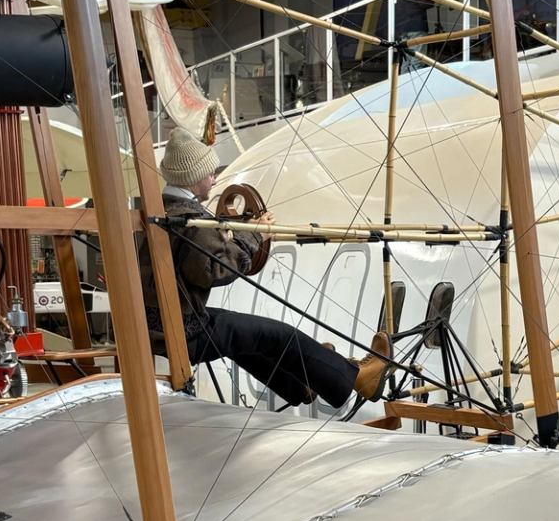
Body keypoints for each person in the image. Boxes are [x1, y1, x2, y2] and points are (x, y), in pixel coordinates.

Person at [138, 126, 390, 410]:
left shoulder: (157, 210)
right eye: (209, 172)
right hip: (182, 334)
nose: (214, 177)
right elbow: (216, 269)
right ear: (194, 177)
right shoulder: (191, 220)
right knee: (277, 334)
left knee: (246, 336)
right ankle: (358, 378)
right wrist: (256, 235)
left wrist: (237, 234)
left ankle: (302, 384)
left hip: (153, 328)